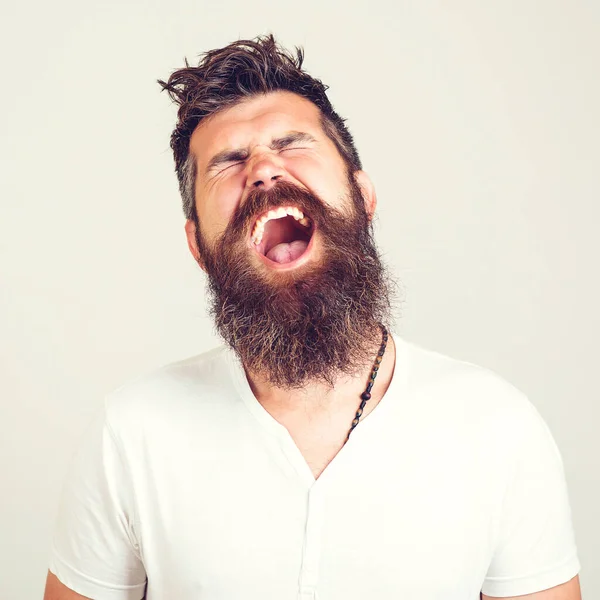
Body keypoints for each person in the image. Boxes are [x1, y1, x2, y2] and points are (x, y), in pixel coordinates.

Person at [44, 34, 582, 600]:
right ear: (198, 245)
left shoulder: (498, 428)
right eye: (228, 162)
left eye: (292, 143)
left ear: (363, 195)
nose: (263, 169)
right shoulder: (130, 433)